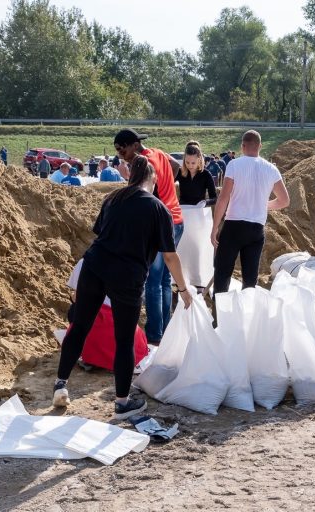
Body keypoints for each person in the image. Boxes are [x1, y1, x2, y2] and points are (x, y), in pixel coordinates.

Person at [52, 155, 192, 416]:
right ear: (154, 179)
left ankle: (60, 385)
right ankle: (122, 402)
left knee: (80, 326)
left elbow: (101, 234)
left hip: (94, 266)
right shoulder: (157, 208)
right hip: (127, 275)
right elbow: (170, 256)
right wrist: (183, 290)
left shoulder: (113, 199)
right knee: (124, 339)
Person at [113, 128, 183, 345]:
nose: (120, 154)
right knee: (163, 280)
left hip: (160, 222)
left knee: (153, 281)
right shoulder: (159, 153)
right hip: (177, 219)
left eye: (121, 149)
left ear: (134, 145)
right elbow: (176, 166)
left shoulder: (141, 164)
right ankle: (165, 330)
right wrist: (169, 186)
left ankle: (154, 335)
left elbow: (137, 194)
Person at [212, 130, 290, 293]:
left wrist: (215, 227)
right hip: (256, 229)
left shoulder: (234, 165)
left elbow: (224, 198)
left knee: (223, 274)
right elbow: (284, 201)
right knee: (250, 279)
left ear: (242, 146)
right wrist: (262, 205)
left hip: (234, 225)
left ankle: (218, 317)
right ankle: (247, 315)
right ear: (260, 146)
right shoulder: (271, 169)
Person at [176, 141, 217, 206]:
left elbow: (214, 198)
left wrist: (205, 202)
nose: (190, 166)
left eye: (193, 163)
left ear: (199, 160)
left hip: (199, 211)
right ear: (184, 160)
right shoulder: (179, 172)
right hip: (183, 210)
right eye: (187, 162)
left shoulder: (206, 174)